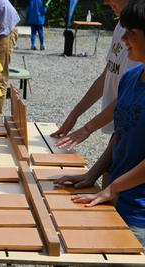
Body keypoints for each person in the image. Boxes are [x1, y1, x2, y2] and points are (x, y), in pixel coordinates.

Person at [55, 0, 145, 246]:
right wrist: (92, 174)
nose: (123, 37)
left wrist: (113, 188)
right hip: (116, 196)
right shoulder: (130, 78)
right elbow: (120, 134)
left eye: (132, 33)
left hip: (139, 212)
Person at [51, 0, 138, 150]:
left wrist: (88, 128)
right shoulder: (120, 27)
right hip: (120, 126)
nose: (105, 1)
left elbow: (129, 96)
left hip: (135, 129)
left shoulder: (139, 35)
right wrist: (75, 114)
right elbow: (107, 75)